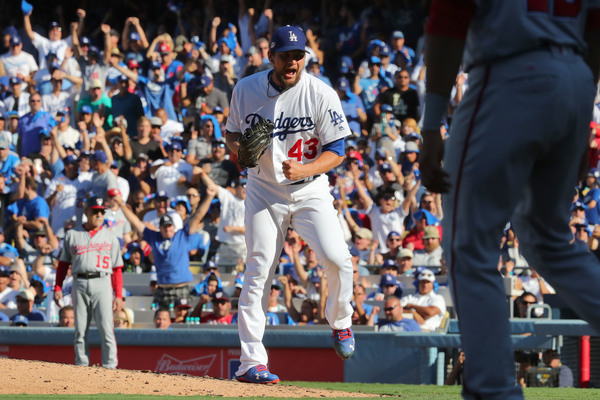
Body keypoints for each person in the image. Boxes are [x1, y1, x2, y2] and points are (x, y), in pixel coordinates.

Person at [420, 2, 600, 399]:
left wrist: (431, 124)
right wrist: (583, 116)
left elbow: (448, 19)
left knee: (469, 247)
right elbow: (595, 30)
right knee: (549, 242)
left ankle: (493, 391)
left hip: (509, 76)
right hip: (576, 77)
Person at [225, 25, 355, 384]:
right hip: (264, 189)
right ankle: (251, 362)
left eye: (299, 56)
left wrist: (306, 168)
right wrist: (239, 151)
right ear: (271, 57)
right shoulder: (246, 89)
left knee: (337, 259)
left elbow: (337, 151)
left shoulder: (321, 93)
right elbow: (232, 132)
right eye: (286, 56)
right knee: (259, 269)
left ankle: (340, 321)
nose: (293, 62)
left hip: (310, 189)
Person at [53, 196, 123, 369]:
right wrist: (58, 286)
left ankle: (110, 366)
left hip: (102, 282)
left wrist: (118, 295)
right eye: (95, 211)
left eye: (102, 212)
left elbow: (117, 269)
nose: (99, 215)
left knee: (106, 328)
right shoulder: (72, 235)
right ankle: (81, 365)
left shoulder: (110, 237)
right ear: (86, 212)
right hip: (80, 282)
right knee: (80, 330)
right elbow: (63, 264)